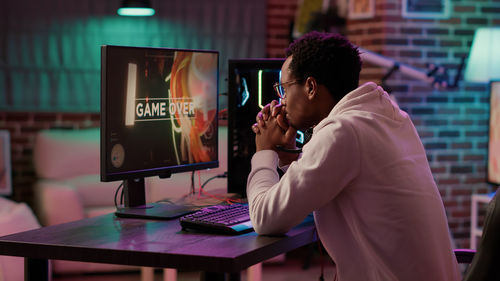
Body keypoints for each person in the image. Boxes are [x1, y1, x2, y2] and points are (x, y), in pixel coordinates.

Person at [247, 31, 461, 281]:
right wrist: (287, 159)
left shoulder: (342, 132)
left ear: (311, 87)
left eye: (283, 89)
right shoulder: (389, 117)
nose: (281, 102)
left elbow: (265, 219)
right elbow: (311, 191)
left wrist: (264, 152)